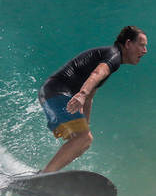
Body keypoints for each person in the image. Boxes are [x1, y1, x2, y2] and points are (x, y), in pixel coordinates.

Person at [38, 26, 148, 173]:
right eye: (141, 45)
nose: (145, 50)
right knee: (84, 139)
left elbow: (90, 97)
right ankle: (47, 174)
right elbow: (98, 72)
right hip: (57, 92)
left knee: (83, 142)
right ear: (128, 44)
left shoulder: (110, 56)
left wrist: (85, 124)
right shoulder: (113, 55)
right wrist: (82, 94)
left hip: (51, 92)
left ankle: (46, 173)